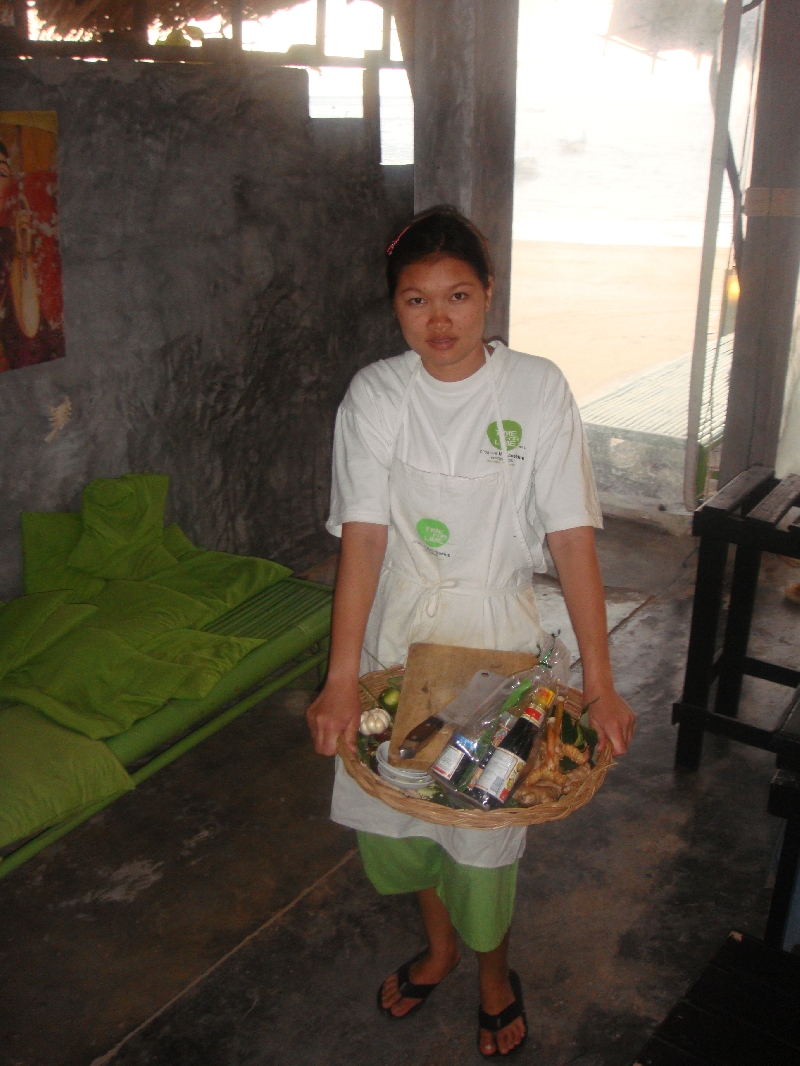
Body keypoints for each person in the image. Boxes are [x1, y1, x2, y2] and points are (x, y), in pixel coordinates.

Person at [306, 206, 635, 1057]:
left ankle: (493, 972)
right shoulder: (378, 396)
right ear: (395, 307)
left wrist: (599, 680)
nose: (439, 320)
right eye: (416, 301)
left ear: (489, 295)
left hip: (496, 635)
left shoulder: (535, 389)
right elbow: (367, 540)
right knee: (408, 814)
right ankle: (441, 947)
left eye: (457, 295)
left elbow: (569, 537)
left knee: (483, 825)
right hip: (400, 637)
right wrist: (344, 677)